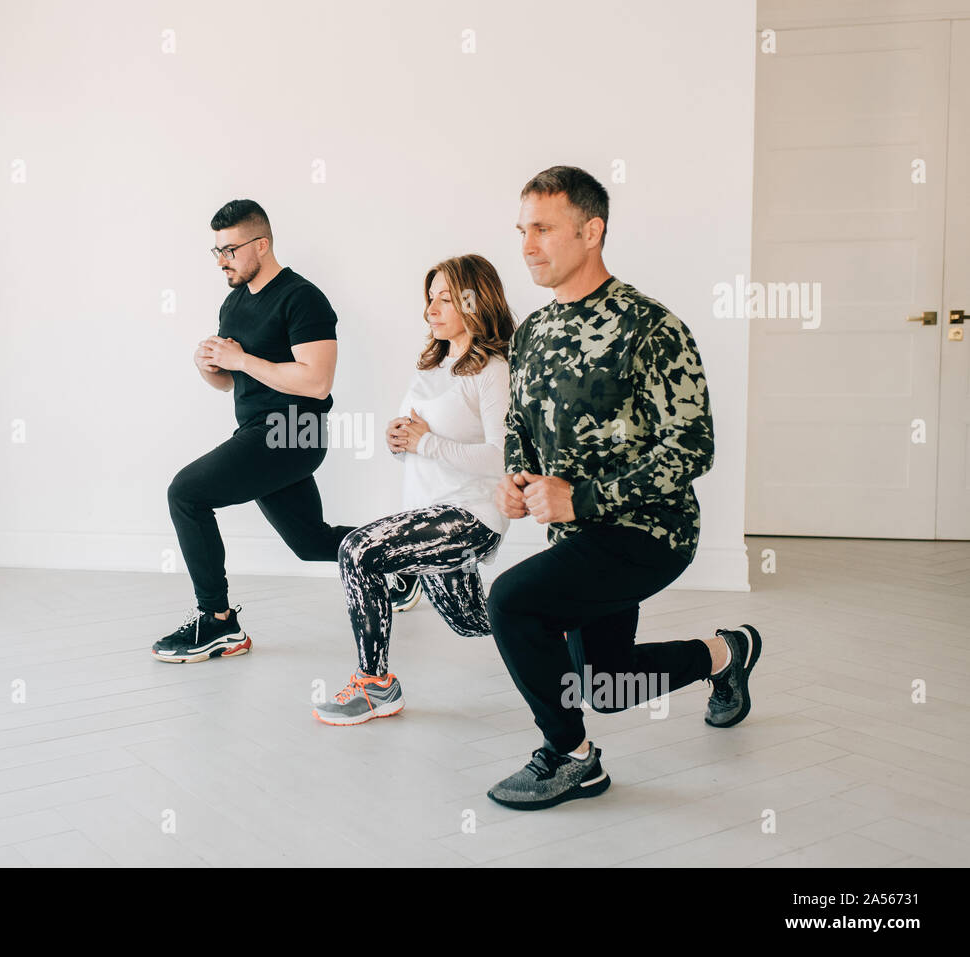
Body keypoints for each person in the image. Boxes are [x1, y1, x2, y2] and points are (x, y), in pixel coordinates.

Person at [484, 166, 763, 810]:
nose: (527, 245)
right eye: (522, 229)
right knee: (602, 682)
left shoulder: (651, 328)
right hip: (577, 536)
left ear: (591, 230)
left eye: (544, 229)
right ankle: (728, 653)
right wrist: (517, 477)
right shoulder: (532, 331)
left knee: (513, 602)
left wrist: (580, 499)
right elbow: (521, 423)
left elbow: (693, 447)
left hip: (649, 533)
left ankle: (572, 758)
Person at [313, 255, 514, 725]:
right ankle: (559, 630)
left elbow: (503, 456)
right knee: (472, 622)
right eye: (430, 298)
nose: (431, 309)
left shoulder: (493, 370)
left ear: (475, 300)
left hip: (470, 515)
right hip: (427, 511)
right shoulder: (434, 364)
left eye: (445, 298)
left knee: (358, 550)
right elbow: (416, 444)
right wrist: (400, 441)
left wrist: (427, 442)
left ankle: (376, 687)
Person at [154, 200, 356, 663]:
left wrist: (241, 359)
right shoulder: (234, 302)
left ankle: (219, 623)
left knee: (186, 493)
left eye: (230, 249)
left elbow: (317, 380)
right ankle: (401, 560)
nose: (221, 259)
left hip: (294, 430)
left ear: (261, 245)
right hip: (260, 429)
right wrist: (208, 367)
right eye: (216, 250)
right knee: (310, 543)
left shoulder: (302, 298)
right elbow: (232, 382)